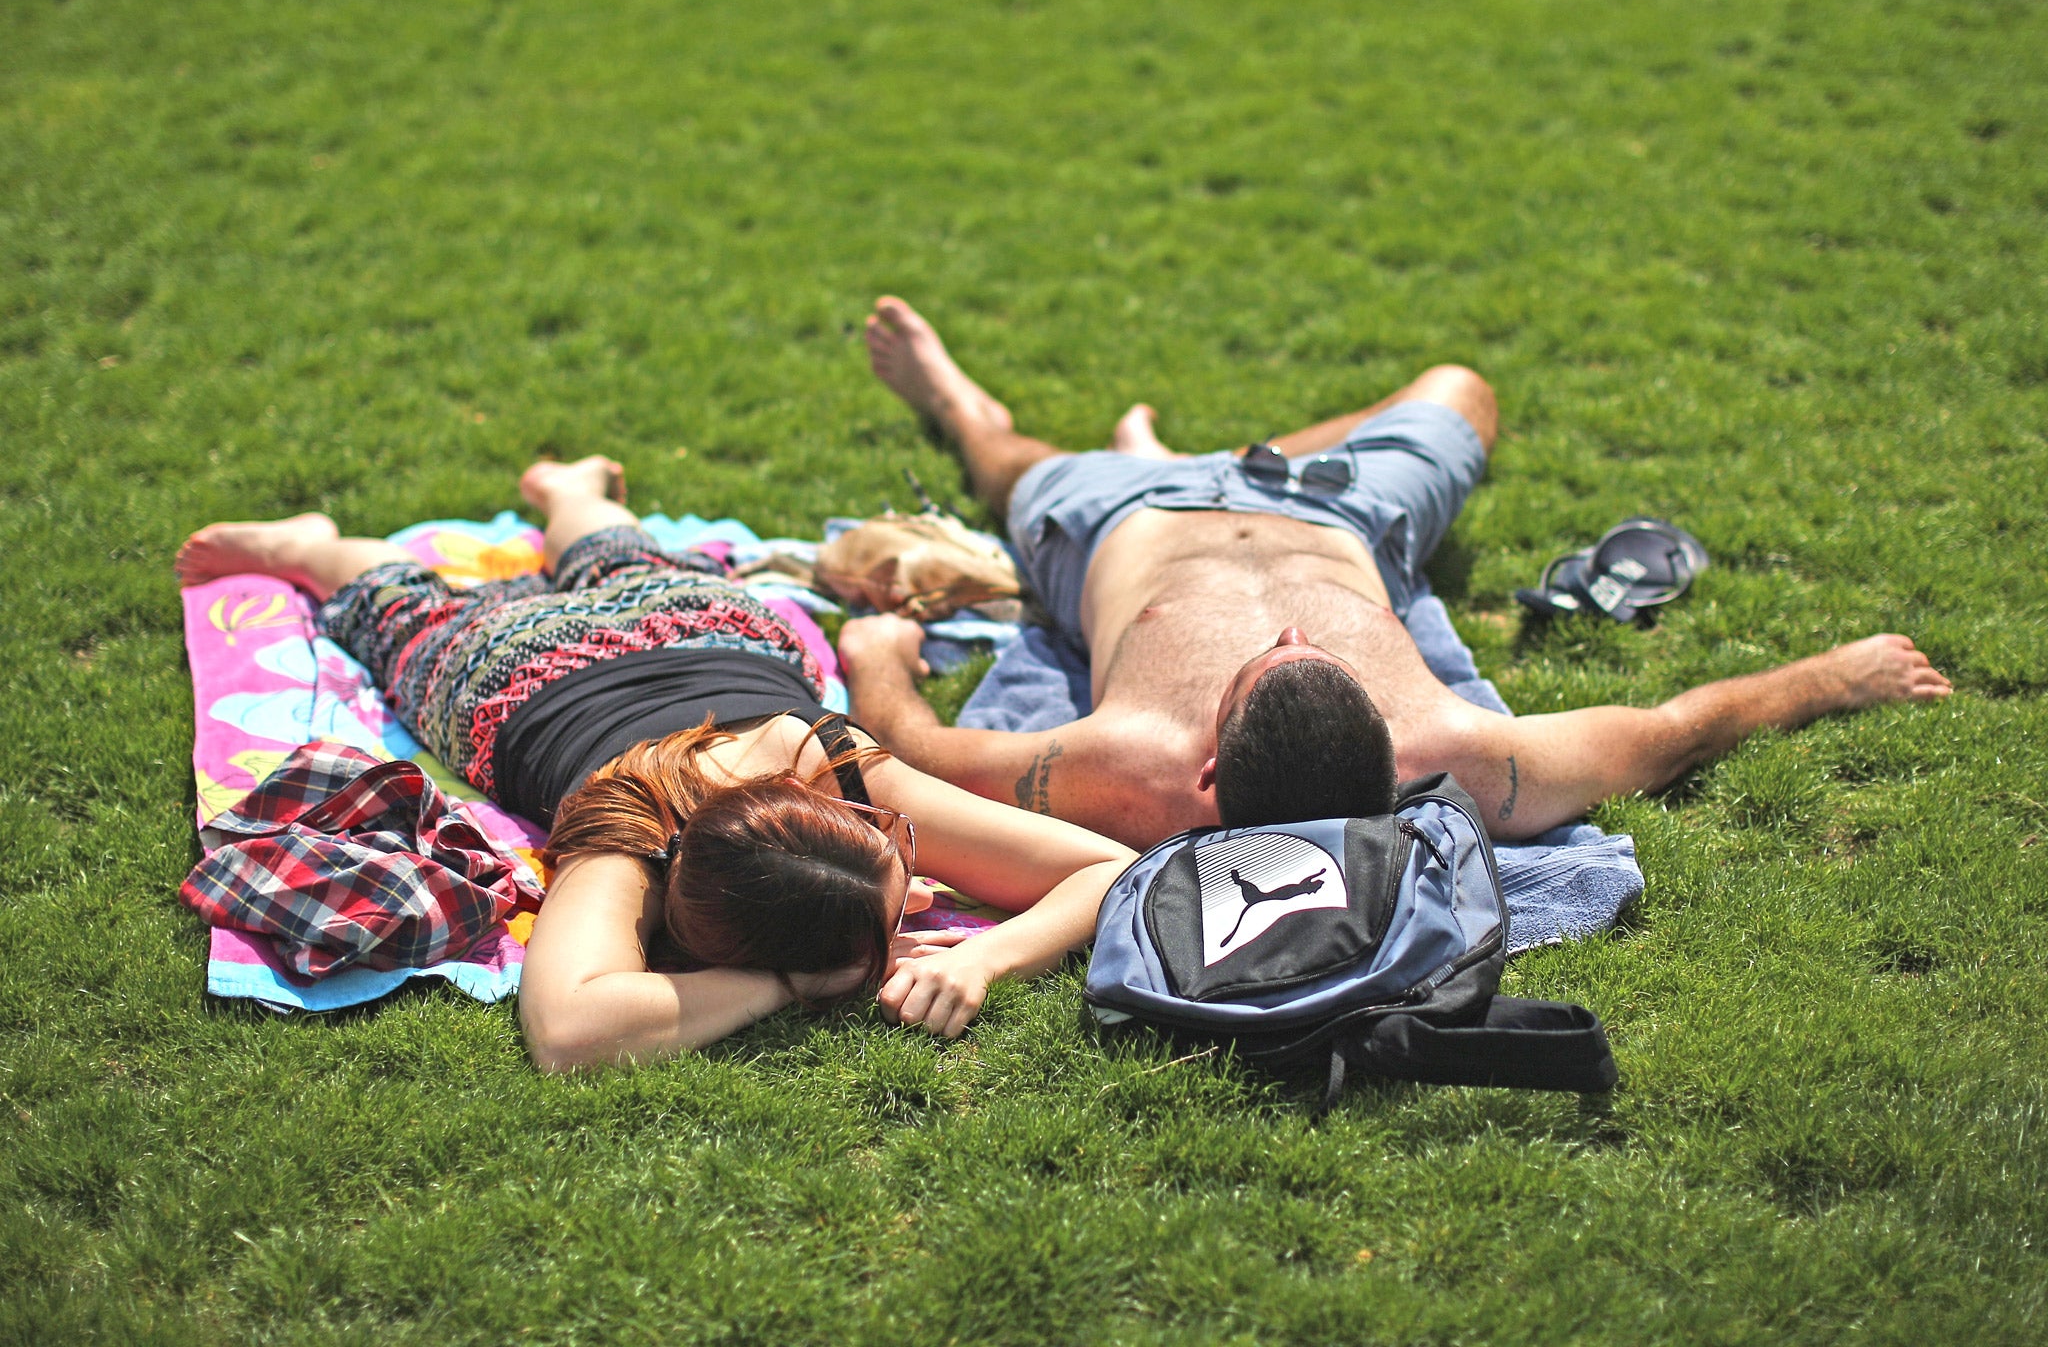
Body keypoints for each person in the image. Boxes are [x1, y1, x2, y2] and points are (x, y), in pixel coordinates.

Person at [836, 298, 1952, 849]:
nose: (1279, 640)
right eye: (1302, 656)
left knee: (1011, 466)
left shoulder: (1128, 770)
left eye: (1271, 664)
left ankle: (964, 408)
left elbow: (917, 756)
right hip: (1334, 506)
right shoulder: (1469, 756)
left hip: (1122, 522)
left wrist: (871, 657)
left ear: (1207, 767)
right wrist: (1827, 677)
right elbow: (1673, 730)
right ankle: (1214, 453)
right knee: (1461, 385)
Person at [176, 456, 1132, 1069]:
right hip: (522, 673)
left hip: (695, 638)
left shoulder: (817, 766)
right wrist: (801, 983)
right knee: (399, 602)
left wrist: (991, 956)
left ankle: (572, 499)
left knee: (615, 562)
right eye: (905, 877)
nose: (925, 888)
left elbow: (1112, 867)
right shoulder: (647, 832)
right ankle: (323, 547)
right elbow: (571, 1033)